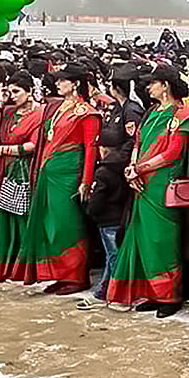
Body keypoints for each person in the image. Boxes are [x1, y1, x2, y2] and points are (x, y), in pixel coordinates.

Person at [107, 66, 189, 316]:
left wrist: (140, 168)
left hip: (162, 185)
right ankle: (152, 293)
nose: (147, 88)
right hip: (142, 184)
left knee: (162, 240)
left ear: (165, 85)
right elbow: (137, 142)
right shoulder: (150, 112)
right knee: (144, 239)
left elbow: (172, 154)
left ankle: (170, 296)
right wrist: (131, 169)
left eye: (152, 83)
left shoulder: (182, 115)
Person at [19, 66, 102, 294]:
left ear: (75, 83)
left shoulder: (87, 112)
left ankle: (76, 277)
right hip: (50, 172)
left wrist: (86, 180)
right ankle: (58, 274)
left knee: (68, 225)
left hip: (69, 174)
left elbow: (90, 149)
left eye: (62, 80)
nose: (57, 84)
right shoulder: (58, 109)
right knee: (50, 224)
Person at [0, 73, 43, 283]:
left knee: (22, 218)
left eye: (17, 91)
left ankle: (23, 267)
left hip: (25, 172)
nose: (13, 96)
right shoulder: (9, 112)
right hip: (6, 171)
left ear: (29, 92)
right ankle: (4, 267)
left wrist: (4, 150)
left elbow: (33, 145)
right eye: (10, 92)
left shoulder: (40, 113)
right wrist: (0, 103)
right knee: (5, 217)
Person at [77, 124, 131, 310]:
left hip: (107, 220)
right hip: (122, 217)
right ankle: (104, 291)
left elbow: (97, 200)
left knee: (113, 256)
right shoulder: (125, 167)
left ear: (103, 149)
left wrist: (90, 210)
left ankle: (115, 293)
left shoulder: (102, 172)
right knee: (114, 255)